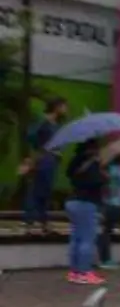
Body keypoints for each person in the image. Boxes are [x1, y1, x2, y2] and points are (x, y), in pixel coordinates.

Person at [20, 97, 69, 235]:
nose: (66, 110)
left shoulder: (56, 124)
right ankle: (29, 223)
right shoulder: (43, 121)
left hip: (52, 160)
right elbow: (31, 136)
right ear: (57, 107)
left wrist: (57, 153)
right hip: (43, 159)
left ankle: (43, 223)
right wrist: (41, 150)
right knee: (36, 190)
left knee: (46, 192)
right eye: (64, 107)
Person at [65, 138, 106, 284]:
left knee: (76, 238)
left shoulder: (75, 161)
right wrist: (102, 174)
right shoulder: (92, 163)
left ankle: (74, 272)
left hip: (72, 201)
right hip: (86, 203)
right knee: (87, 239)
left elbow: (71, 176)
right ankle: (85, 272)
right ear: (92, 148)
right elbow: (95, 182)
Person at [97, 150, 120, 271]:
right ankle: (105, 259)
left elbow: (107, 185)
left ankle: (104, 258)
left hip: (109, 203)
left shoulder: (110, 170)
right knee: (107, 232)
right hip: (116, 204)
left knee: (105, 232)